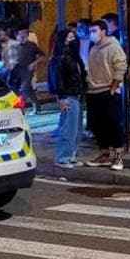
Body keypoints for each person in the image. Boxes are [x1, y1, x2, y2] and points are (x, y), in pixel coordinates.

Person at [85, 19, 128, 169]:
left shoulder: (113, 47)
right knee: (98, 125)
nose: (92, 34)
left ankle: (118, 155)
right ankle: (104, 154)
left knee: (113, 124)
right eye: (90, 31)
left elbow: (121, 66)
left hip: (107, 90)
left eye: (94, 31)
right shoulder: (93, 48)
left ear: (103, 31)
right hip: (93, 91)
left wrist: (114, 86)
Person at [48, 28, 87, 168]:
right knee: (68, 127)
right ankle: (63, 157)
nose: (72, 40)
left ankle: (71, 155)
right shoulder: (59, 58)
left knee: (76, 128)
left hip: (77, 94)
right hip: (68, 95)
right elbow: (58, 79)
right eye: (69, 38)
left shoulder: (74, 56)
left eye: (73, 37)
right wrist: (62, 97)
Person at [11, 29, 43, 113]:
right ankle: (37, 106)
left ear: (27, 35)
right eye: (20, 33)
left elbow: (42, 56)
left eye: (24, 33)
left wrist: (34, 63)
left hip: (28, 71)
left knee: (24, 88)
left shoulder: (32, 45)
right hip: (17, 71)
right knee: (28, 89)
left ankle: (20, 109)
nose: (22, 35)